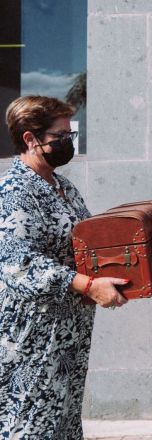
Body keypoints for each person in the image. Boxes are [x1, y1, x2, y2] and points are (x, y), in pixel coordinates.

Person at [0, 96, 128, 438]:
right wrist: (86, 285)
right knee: (31, 423)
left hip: (69, 329)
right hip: (33, 333)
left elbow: (84, 242)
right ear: (30, 139)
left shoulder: (61, 185)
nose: (68, 141)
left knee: (64, 419)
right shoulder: (15, 191)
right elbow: (18, 265)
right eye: (60, 135)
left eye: (69, 133)